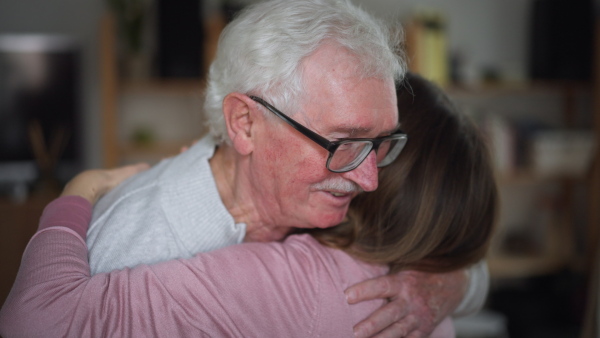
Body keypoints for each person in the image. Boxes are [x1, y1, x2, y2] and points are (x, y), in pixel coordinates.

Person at [86, 0, 488, 336]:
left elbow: (461, 254)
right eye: (344, 142)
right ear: (245, 124)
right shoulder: (137, 247)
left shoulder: (309, 199)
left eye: (381, 143)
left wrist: (449, 285)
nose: (370, 180)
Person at [0, 73, 498, 337]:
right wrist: (460, 280)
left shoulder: (291, 282)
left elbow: (37, 323)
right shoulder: (427, 299)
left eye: (367, 144)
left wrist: (78, 191)